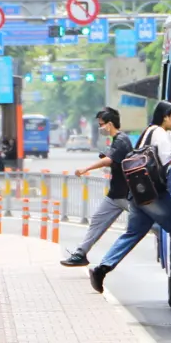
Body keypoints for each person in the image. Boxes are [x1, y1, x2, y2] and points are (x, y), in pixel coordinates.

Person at [89, 101, 171, 294]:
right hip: (152, 195)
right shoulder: (159, 133)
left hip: (138, 193)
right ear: (165, 116)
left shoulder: (147, 131)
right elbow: (167, 158)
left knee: (133, 234)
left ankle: (102, 268)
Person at [61, 107, 134, 267]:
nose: (100, 128)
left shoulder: (122, 140)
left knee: (150, 222)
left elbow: (108, 160)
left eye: (101, 124)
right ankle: (80, 253)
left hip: (128, 195)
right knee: (97, 221)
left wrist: (86, 169)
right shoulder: (117, 140)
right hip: (116, 195)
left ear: (109, 124)